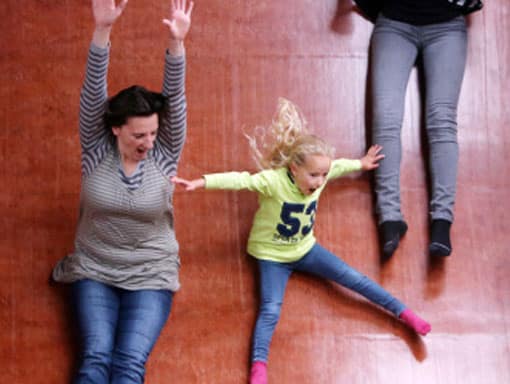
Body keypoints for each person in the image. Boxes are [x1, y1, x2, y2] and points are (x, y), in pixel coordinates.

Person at [172, 98, 431, 384]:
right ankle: (259, 366)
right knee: (270, 309)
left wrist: (361, 163)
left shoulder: (322, 172)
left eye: (323, 174)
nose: (320, 181)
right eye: (314, 175)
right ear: (294, 169)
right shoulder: (273, 181)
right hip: (270, 256)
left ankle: (404, 313)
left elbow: (339, 166)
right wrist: (201, 182)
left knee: (354, 279)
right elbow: (240, 180)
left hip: (305, 249)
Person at [51, 0, 194, 382]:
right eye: (138, 134)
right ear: (116, 129)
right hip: (95, 267)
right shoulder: (96, 148)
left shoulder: (164, 153)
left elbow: (175, 100)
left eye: (152, 132)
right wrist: (102, 30)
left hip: (151, 271)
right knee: (96, 358)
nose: (148, 140)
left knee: (128, 362)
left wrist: (176, 44)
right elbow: (92, 89)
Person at [364, 0, 483, 258]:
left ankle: (442, 222)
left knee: (442, 122)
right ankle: (389, 218)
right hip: (394, 23)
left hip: (447, 27)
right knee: (385, 120)